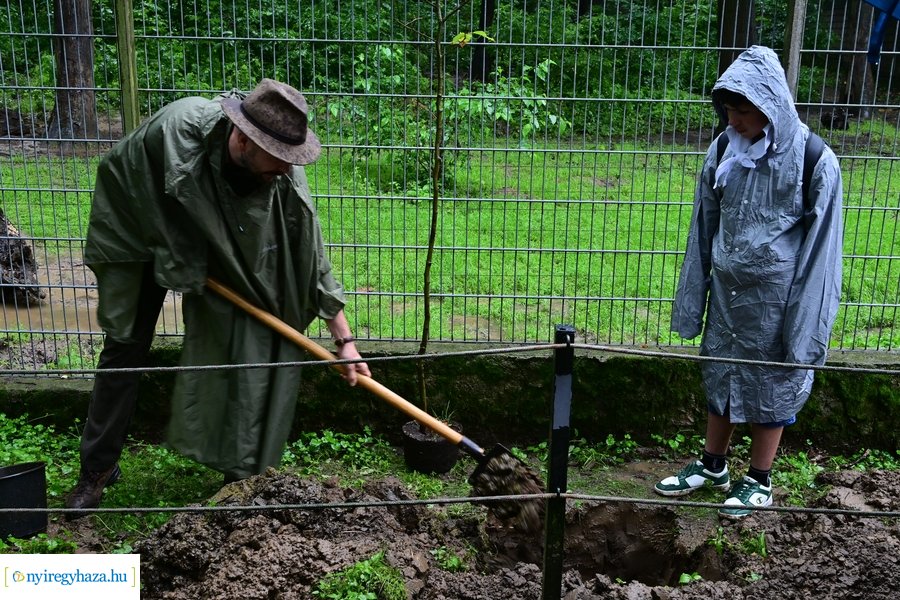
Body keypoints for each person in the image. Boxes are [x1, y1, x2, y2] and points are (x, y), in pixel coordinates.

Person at [65, 79, 371, 511]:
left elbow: (309, 249)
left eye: (291, 160)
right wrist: (173, 253)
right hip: (139, 231)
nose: (286, 168)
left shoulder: (281, 169)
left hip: (213, 237)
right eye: (279, 160)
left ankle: (239, 472)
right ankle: (96, 470)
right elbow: (124, 178)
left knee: (243, 330)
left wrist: (344, 339)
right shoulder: (174, 134)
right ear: (243, 138)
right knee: (126, 346)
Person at [654, 46, 843, 518]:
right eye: (729, 111)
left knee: (772, 380)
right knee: (721, 371)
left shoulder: (815, 161)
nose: (733, 121)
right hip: (726, 293)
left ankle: (759, 479)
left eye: (743, 112)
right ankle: (712, 463)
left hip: (778, 300)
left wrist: (805, 327)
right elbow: (705, 223)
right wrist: (694, 297)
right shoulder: (723, 149)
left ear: (771, 107)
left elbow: (822, 251)